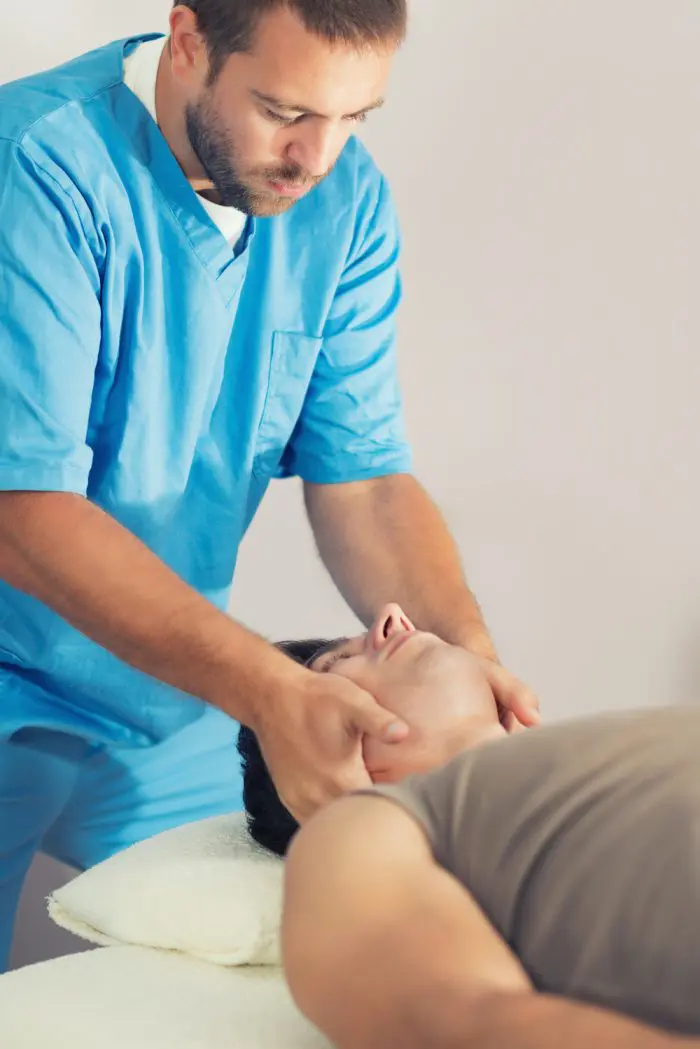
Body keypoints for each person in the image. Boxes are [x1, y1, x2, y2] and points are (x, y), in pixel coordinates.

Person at [0, 1, 539, 971]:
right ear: (188, 38)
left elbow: (364, 479)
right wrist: (266, 688)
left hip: (160, 691)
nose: (316, 157)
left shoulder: (342, 203)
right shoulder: (35, 165)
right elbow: (21, 512)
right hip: (22, 673)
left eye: (354, 118)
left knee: (342, 953)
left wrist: (467, 661)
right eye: (285, 110)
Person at [238, 611, 700, 1047]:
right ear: (312, 762)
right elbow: (466, 1026)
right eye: (341, 660)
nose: (394, 616)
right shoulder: (361, 829)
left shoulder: (601, 750)